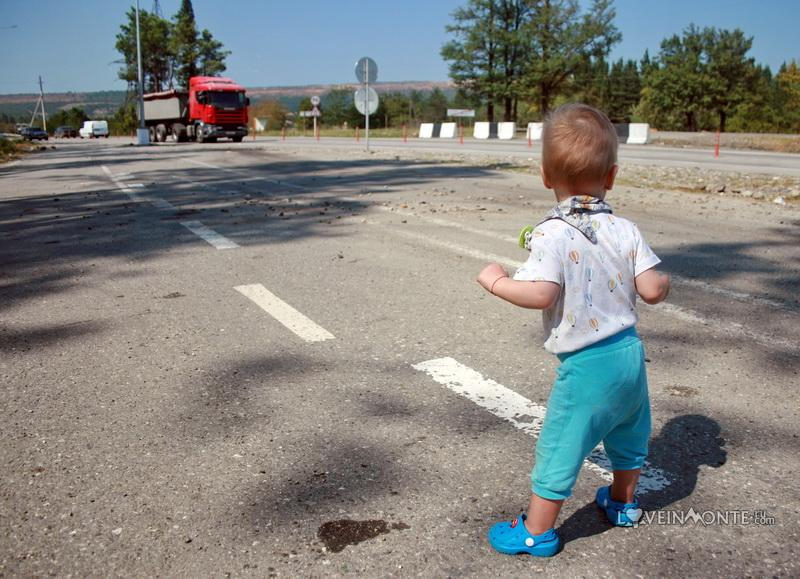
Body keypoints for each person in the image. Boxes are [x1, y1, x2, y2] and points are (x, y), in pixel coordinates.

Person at [476, 103, 671, 557]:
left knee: (562, 443)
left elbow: (541, 293)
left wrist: (497, 282)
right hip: (629, 355)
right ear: (613, 175)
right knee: (629, 433)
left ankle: (536, 530)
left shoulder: (551, 233)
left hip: (586, 365)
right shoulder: (625, 229)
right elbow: (652, 289)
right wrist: (662, 282)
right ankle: (622, 502)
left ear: (546, 175)